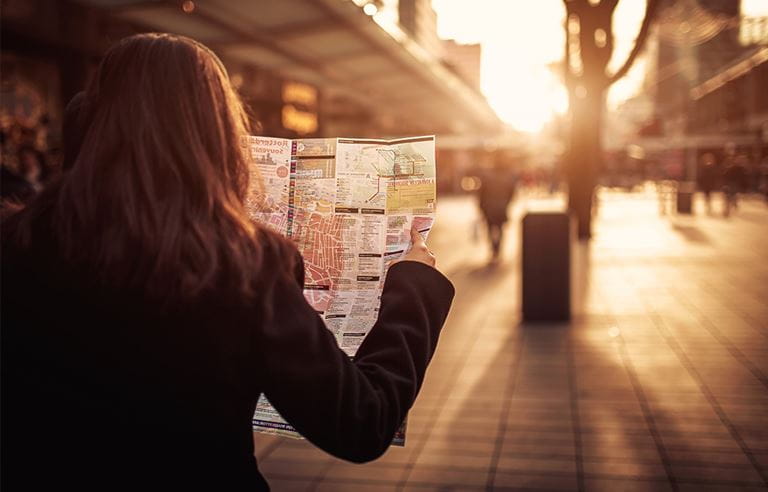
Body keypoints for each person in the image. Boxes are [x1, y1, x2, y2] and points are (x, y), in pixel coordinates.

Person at [1, 33, 454, 491]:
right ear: (218, 135)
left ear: (90, 121)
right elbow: (360, 421)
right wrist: (414, 285)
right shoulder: (245, 267)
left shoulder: (16, 243)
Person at [477, 153, 516, 260]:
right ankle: (498, 247)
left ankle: (494, 248)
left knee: (490, 227)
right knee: (500, 228)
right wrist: (508, 202)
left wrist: (481, 206)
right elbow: (511, 192)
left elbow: (481, 192)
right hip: (501, 206)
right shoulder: (508, 176)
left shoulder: (487, 175)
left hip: (489, 206)